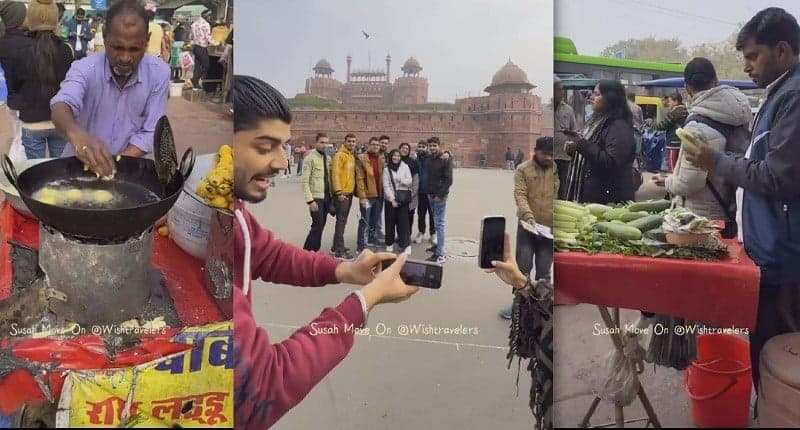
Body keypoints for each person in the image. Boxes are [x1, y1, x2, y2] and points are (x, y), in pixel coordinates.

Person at [230, 75, 419, 429]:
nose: (282, 162)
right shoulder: (201, 234)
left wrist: (345, 269)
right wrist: (365, 301)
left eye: (283, 147)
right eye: (265, 147)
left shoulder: (230, 209)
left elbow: (266, 254)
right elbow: (263, 387)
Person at [683, 7, 800, 402]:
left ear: (782, 50)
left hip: (784, 253)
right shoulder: (779, 94)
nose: (747, 66)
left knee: (777, 355)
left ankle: (775, 413)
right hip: (769, 244)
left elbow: (777, 176)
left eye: (753, 56)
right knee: (767, 349)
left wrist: (716, 162)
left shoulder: (794, 97)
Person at [51, 0, 170, 178]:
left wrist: (114, 168)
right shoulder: (84, 68)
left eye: (134, 49)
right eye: (117, 47)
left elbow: (151, 130)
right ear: (105, 36)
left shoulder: (159, 73)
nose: (125, 57)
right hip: (77, 170)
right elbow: (61, 106)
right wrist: (78, 136)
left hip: (128, 171)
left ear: (146, 41)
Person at [659, 57, 751, 225]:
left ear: (687, 88)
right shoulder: (743, 116)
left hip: (701, 217)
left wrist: (666, 181)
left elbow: (689, 183)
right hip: (733, 206)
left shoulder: (695, 127)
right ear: (715, 81)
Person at [6, 0, 74, 159]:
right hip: (60, 120)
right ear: (56, 19)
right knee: (59, 170)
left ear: (30, 18)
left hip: (31, 122)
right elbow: (70, 86)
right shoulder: (66, 50)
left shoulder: (20, 51)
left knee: (36, 170)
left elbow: (13, 88)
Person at [501, 137, 556, 319]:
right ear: (535, 151)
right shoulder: (523, 169)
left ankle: (541, 308)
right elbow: (520, 194)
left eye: (551, 154)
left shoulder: (558, 170)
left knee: (543, 272)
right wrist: (528, 216)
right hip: (527, 226)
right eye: (544, 153)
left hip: (549, 230)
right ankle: (519, 306)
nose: (548, 157)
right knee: (522, 269)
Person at [564, 80, 636, 204]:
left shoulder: (618, 126)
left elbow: (611, 161)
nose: (592, 97)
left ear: (610, 98)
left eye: (597, 94)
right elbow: (593, 151)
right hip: (596, 192)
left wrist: (581, 144)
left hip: (609, 198)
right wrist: (575, 149)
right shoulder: (597, 121)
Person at [301, 133, 333, 252]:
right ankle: (306, 252)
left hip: (327, 197)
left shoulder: (328, 159)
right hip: (316, 198)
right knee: (317, 226)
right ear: (316, 143)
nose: (324, 145)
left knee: (321, 226)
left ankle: (315, 251)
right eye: (322, 142)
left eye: (326, 143)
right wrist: (310, 201)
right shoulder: (310, 158)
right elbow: (304, 182)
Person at [330, 133, 358, 260]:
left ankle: (335, 246)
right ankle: (339, 251)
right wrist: (339, 192)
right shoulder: (339, 155)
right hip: (342, 194)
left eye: (353, 141)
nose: (351, 143)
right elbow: (335, 174)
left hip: (348, 193)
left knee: (342, 221)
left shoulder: (351, 156)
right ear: (345, 142)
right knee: (341, 222)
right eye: (349, 141)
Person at [425, 137, 453, 263]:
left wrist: (439, 195)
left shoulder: (445, 159)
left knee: (439, 224)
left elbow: (449, 180)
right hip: (431, 195)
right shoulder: (430, 158)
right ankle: (438, 247)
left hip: (439, 197)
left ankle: (441, 254)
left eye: (434, 145)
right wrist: (429, 193)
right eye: (430, 145)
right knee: (436, 222)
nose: (432, 148)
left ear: (439, 146)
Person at [355, 138, 384, 252]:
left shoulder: (380, 159)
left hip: (378, 195)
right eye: (373, 144)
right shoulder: (362, 159)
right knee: (364, 221)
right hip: (367, 196)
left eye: (377, 144)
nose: (375, 146)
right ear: (368, 145)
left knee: (374, 220)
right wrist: (362, 197)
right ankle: (361, 245)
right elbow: (360, 179)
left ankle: (372, 239)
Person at [383, 149, 413, 255]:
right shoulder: (386, 169)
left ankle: (406, 244)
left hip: (403, 199)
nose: (396, 158)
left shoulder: (405, 167)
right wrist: (392, 199)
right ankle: (389, 243)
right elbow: (386, 186)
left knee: (403, 223)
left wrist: (400, 180)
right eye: (394, 156)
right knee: (390, 222)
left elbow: (410, 181)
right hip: (390, 200)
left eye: (398, 156)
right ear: (391, 157)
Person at [649, 92, 688, 172]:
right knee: (680, 166)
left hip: (674, 143)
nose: (668, 103)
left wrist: (650, 123)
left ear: (676, 102)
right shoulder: (686, 110)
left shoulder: (675, 112)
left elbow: (661, 126)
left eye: (670, 101)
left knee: (673, 166)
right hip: (682, 141)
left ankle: (674, 179)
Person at [554, 76, 577, 200]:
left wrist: (572, 144)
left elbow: (574, 131)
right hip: (548, 156)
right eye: (558, 89)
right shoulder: (546, 108)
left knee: (563, 187)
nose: (561, 92)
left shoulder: (568, 110)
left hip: (564, 157)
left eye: (562, 89)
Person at [414, 139, 436, 244]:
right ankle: (421, 232)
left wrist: (448, 153)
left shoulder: (431, 158)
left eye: (423, 147)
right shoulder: (415, 159)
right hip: (421, 192)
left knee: (432, 214)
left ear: (426, 148)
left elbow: (442, 156)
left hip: (431, 192)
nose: (421, 148)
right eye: (420, 146)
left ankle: (433, 234)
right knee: (421, 214)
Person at [399, 142, 420, 237]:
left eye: (407, 149)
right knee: (399, 217)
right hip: (398, 196)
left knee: (409, 216)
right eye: (403, 148)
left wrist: (411, 194)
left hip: (410, 196)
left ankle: (407, 236)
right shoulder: (395, 160)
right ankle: (400, 236)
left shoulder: (413, 162)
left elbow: (415, 180)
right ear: (399, 149)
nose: (404, 150)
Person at [190, 9, 212, 89]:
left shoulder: (194, 24)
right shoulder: (206, 24)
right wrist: (216, 43)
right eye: (209, 16)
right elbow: (208, 38)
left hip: (196, 47)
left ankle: (195, 84)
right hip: (202, 47)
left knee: (197, 66)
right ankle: (195, 79)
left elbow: (191, 37)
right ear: (206, 16)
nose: (210, 18)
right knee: (206, 65)